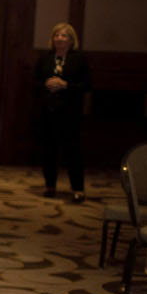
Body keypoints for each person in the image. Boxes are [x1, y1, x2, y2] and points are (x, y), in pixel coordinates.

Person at [34, 22, 90, 202]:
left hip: (70, 113)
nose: (59, 38)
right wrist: (46, 84)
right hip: (48, 111)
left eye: (64, 36)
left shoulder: (79, 59)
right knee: (48, 150)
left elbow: (87, 85)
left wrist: (65, 85)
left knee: (73, 151)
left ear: (71, 40)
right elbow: (34, 82)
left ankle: (78, 188)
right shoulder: (45, 58)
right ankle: (50, 186)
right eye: (57, 35)